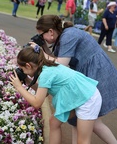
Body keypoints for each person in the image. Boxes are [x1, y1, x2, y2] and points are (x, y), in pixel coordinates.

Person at [35, 14, 117, 144]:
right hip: (84, 75)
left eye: (41, 35)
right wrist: (43, 48)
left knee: (92, 120)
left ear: (51, 32)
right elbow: (55, 60)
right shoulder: (61, 38)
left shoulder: (68, 35)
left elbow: (61, 64)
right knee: (79, 119)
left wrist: (39, 52)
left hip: (97, 72)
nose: (41, 38)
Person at [9, 46, 102, 144]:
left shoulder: (45, 74)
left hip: (87, 98)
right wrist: (27, 80)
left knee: (82, 141)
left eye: (21, 69)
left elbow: (37, 103)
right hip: (77, 95)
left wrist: (19, 87)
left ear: (28, 65)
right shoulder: (46, 66)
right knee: (54, 122)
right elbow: (43, 93)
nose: (21, 71)